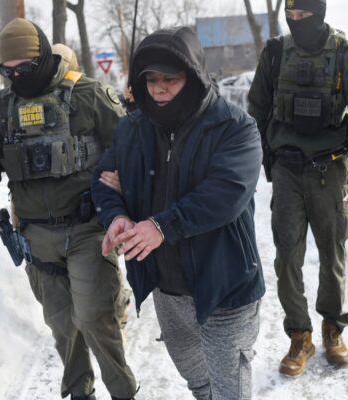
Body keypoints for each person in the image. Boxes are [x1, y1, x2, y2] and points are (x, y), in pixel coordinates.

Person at [0, 18, 138, 400]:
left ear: (42, 57)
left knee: (94, 317)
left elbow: (131, 150)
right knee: (62, 325)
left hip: (88, 230)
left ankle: (123, 392)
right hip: (36, 237)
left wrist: (129, 205)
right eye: (8, 71)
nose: (17, 77)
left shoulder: (89, 95)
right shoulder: (2, 106)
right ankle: (80, 392)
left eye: (24, 68)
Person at [92, 26, 265, 400]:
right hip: (167, 286)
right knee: (197, 379)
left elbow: (226, 193)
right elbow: (104, 181)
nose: (159, 89)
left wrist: (161, 225)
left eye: (170, 79)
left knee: (229, 390)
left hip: (225, 283)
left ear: (194, 75)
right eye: (151, 80)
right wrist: (117, 216)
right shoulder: (131, 129)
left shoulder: (235, 127)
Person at [248, 0, 348, 377]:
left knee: (332, 254)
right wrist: (259, 161)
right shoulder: (275, 53)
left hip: (331, 170)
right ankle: (300, 335)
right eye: (290, 16)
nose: (296, 21)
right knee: (287, 257)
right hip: (287, 170)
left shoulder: (344, 54)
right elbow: (256, 111)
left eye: (303, 16)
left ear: (319, 14)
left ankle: (332, 328)